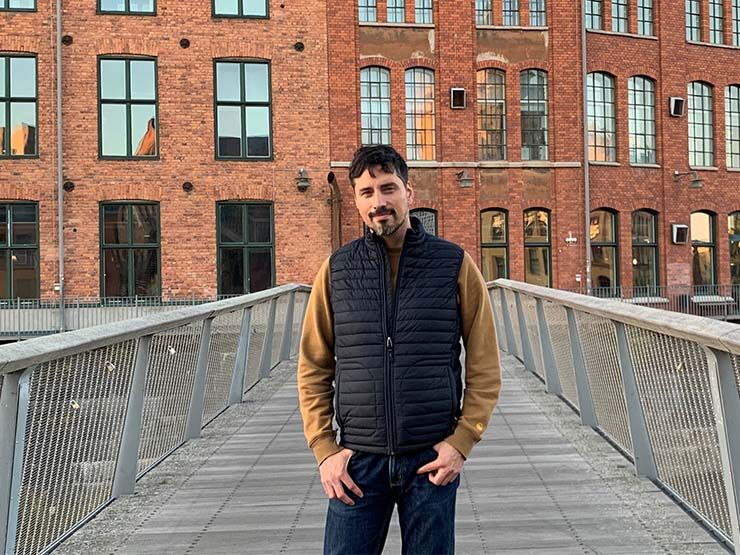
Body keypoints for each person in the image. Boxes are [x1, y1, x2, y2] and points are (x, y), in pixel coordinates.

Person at [298, 145, 502, 555]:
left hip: (431, 461)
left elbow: (484, 363)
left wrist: (462, 441)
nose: (379, 202)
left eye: (388, 188)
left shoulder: (454, 264)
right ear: (355, 199)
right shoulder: (336, 270)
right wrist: (325, 450)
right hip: (356, 463)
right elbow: (313, 365)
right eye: (366, 192)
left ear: (409, 192)